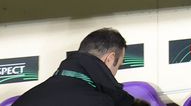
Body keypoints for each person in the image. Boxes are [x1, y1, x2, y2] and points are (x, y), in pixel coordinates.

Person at [14, 28, 145, 106]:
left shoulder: (26, 98)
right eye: (118, 65)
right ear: (109, 59)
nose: (116, 72)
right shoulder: (99, 102)